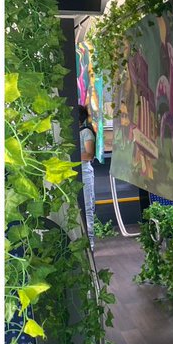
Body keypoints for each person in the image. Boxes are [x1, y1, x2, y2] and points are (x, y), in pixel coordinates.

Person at [78, 106, 97, 248]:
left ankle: (90, 244)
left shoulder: (85, 132)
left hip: (84, 172)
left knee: (87, 207)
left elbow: (89, 155)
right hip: (76, 172)